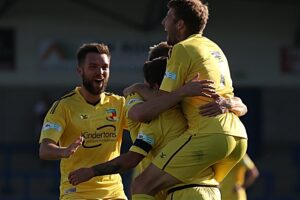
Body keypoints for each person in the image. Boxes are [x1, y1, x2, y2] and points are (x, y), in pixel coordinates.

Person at [68, 42, 248, 200]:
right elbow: (139, 113)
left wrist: (227, 102)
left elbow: (131, 158)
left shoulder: (180, 102)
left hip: (176, 190)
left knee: (140, 185)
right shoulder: (141, 97)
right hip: (204, 188)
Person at [122, 1, 248, 200]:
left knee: (142, 184)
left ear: (180, 24)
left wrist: (138, 88)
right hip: (238, 137)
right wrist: (229, 103)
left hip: (209, 135)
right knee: (202, 182)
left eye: (168, 18)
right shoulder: (214, 48)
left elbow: (162, 100)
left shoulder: (182, 49)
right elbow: (235, 100)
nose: (164, 23)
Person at [39, 43, 128, 200]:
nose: (100, 72)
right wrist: (64, 151)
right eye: (93, 66)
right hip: (77, 192)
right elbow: (45, 150)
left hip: (114, 192)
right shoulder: (63, 106)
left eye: (105, 67)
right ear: (80, 70)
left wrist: (143, 90)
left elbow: (146, 122)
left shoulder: (119, 104)